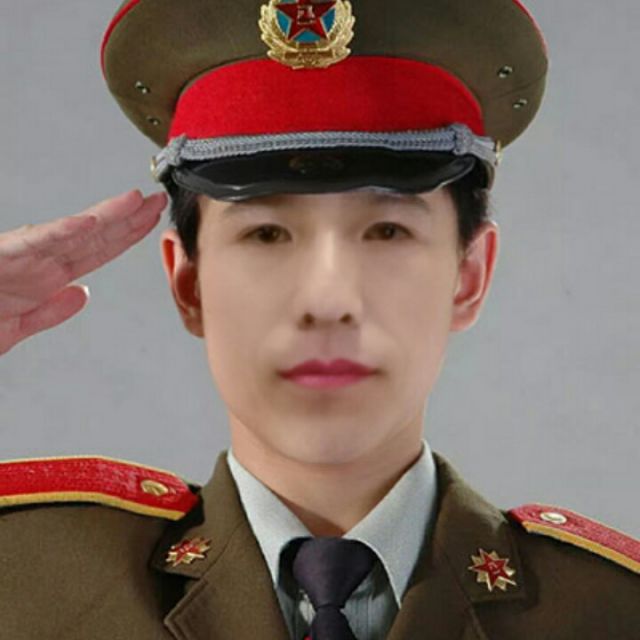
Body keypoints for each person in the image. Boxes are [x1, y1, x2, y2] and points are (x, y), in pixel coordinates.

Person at [0, 0, 638, 638]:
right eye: (267, 234)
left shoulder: (610, 611)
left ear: (468, 275)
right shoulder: (29, 581)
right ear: (188, 283)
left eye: (387, 231)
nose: (329, 300)